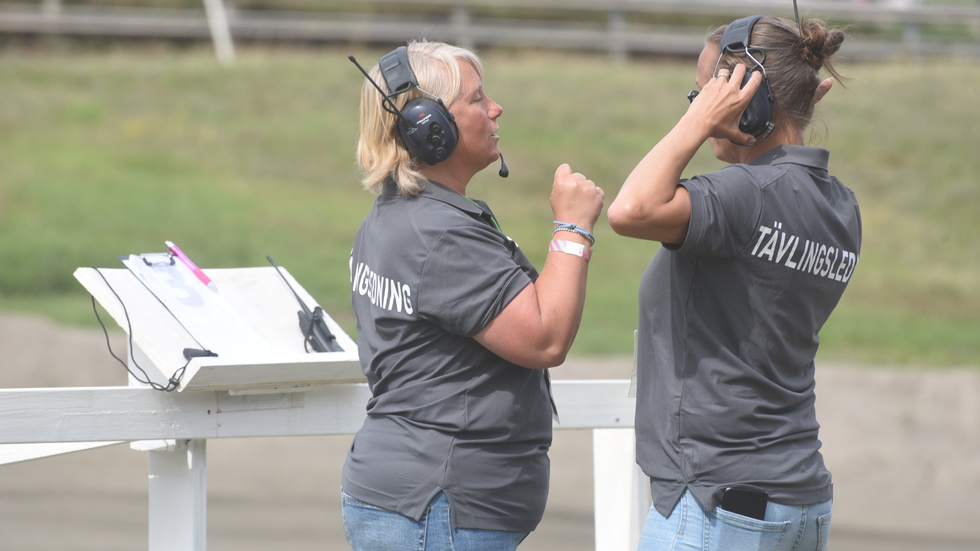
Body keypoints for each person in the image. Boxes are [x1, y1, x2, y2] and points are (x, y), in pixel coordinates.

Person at [607, 15, 861, 551]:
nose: (699, 103)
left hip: (716, 505)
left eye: (708, 91)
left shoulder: (746, 193)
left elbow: (630, 210)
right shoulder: (841, 207)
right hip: (801, 501)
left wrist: (696, 124)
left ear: (748, 96)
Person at [343, 40, 604, 550]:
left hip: (420, 504)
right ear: (427, 126)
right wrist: (572, 229)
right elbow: (545, 338)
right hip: (438, 508)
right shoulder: (439, 234)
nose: (495, 108)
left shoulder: (397, 219)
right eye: (477, 98)